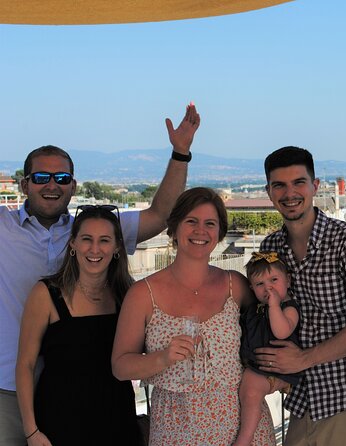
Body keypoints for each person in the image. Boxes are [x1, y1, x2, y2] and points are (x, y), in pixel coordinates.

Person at [0, 104, 199, 446]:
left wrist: (181, 154)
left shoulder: (92, 226)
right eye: (41, 177)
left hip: (93, 399)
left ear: (73, 185)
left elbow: (162, 214)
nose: (52, 185)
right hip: (7, 388)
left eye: (61, 178)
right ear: (24, 183)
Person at [111, 187, 275, 446]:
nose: (201, 231)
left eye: (210, 223)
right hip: (177, 430)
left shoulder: (237, 285)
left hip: (245, 431)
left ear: (219, 233)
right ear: (174, 228)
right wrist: (163, 358)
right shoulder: (143, 294)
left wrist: (278, 378)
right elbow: (120, 367)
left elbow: (270, 335)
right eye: (191, 221)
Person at [254, 146, 346, 446]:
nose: (290, 193)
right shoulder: (271, 246)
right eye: (279, 185)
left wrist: (303, 359)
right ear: (269, 191)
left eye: (298, 182)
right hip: (302, 401)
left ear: (315, 186)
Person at [16, 205, 140, 445]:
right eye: (86, 239)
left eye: (104, 240)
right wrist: (31, 431)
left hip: (117, 423)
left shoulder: (128, 295)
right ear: (72, 244)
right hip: (59, 425)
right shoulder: (46, 294)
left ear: (116, 248)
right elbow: (25, 364)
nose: (94, 249)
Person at [235, 251, 302, 446]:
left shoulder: (287, 308)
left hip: (276, 368)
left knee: (251, 390)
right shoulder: (256, 307)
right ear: (251, 288)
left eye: (274, 280)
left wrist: (274, 306)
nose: (268, 288)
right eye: (260, 284)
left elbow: (282, 331)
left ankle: (245, 438)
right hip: (258, 364)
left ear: (288, 280)